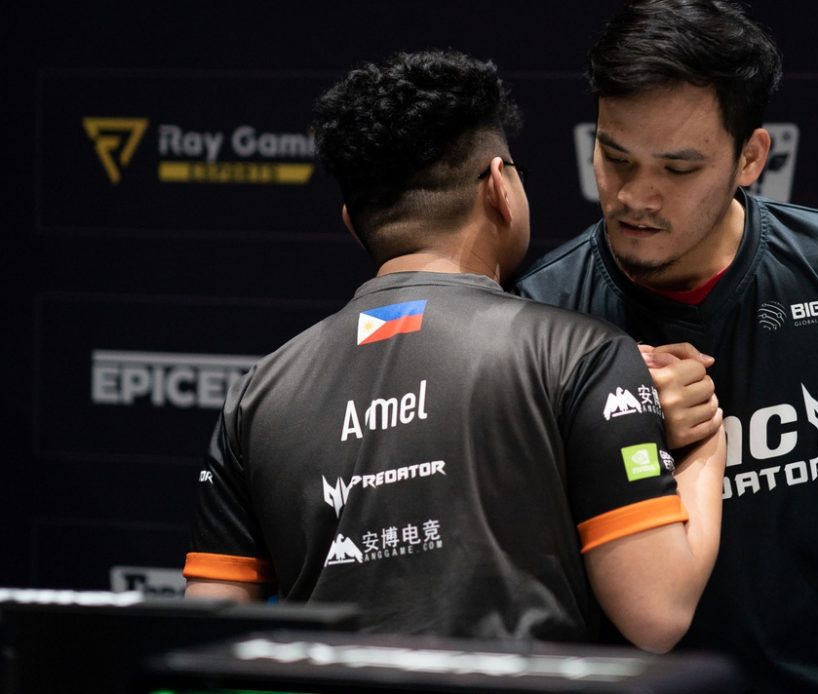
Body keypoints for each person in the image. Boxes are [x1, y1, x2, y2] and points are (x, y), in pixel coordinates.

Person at [511, 1, 818, 691]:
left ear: (750, 157)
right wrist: (620, 427)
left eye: (678, 169)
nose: (636, 197)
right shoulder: (539, 314)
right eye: (615, 158)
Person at [181, 49, 726, 654]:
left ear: (352, 222)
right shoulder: (580, 353)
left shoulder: (256, 396)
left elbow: (206, 636)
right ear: (499, 187)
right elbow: (657, 613)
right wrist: (705, 444)